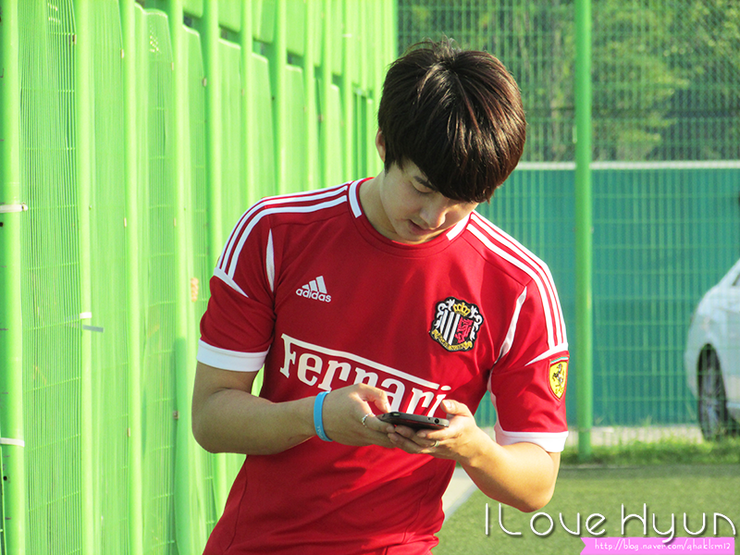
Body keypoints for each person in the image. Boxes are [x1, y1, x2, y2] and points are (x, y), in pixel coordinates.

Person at [192, 38, 569, 554]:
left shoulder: (520, 286)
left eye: (461, 200)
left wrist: (472, 448)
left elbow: (537, 483)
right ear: (384, 145)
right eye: (422, 187)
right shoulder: (275, 233)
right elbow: (211, 417)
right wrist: (317, 417)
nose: (434, 216)